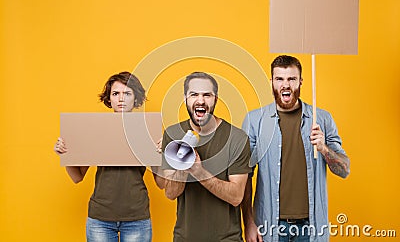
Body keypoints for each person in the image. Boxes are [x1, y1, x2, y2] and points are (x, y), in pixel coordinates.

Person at [241, 55, 350, 242]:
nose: (286, 85)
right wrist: (249, 222)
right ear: (271, 82)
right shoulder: (254, 121)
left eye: (291, 79)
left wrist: (324, 148)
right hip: (269, 226)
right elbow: (244, 176)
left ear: (300, 82)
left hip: (311, 227)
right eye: (279, 79)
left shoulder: (321, 119)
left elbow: (344, 170)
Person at [54, 71, 164, 242]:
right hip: (100, 218)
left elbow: (162, 183)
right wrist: (67, 155)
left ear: (135, 98)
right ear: (109, 98)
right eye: (116, 93)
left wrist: (163, 154)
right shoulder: (97, 130)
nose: (121, 99)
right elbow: (77, 177)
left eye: (127, 93)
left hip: (137, 217)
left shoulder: (147, 131)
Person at [160, 72, 252, 242]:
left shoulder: (237, 138)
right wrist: (183, 166)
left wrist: (199, 171)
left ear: (215, 99)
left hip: (227, 239)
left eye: (207, 95)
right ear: (185, 98)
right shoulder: (172, 135)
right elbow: (171, 193)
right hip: (185, 238)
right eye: (194, 94)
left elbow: (236, 197)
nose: (200, 101)